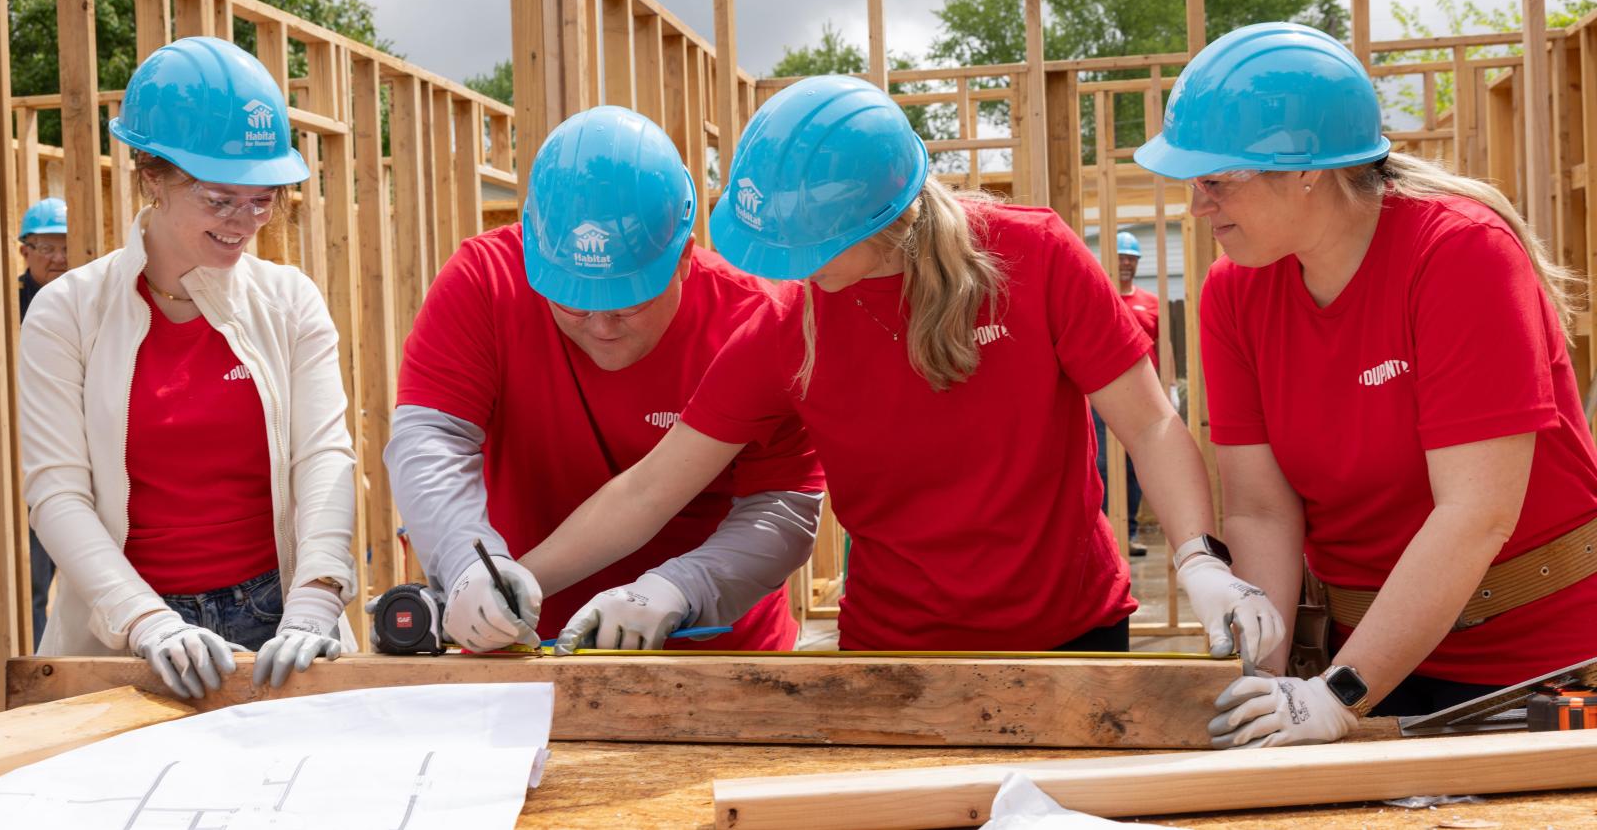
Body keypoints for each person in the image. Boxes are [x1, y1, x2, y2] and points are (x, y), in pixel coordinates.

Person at [517, 76, 1282, 659]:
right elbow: (652, 485)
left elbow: (1150, 424)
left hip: (1071, 636)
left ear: (884, 217)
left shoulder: (1035, 258)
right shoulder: (792, 325)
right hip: (897, 652)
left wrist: (1199, 560)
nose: (792, 268)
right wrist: (525, 579)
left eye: (805, 246)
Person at [1135, 22, 1597, 746]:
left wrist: (1339, 694)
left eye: (1217, 180)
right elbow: (1259, 511)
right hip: (1363, 664)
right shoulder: (1234, 293)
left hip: (1536, 668)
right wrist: (1268, 681)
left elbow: (1474, 513)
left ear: (1306, 170)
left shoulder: (1460, 255)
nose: (1199, 206)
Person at [384, 105, 824, 654]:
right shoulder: (485, 281)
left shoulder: (754, 320)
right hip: (519, 647)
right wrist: (468, 559)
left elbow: (782, 506)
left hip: (717, 651)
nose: (600, 324)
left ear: (684, 257)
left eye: (627, 301)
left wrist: (684, 586)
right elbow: (430, 441)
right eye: (572, 300)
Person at [18, 36, 357, 700]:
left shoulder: (290, 303)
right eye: (220, 198)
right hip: (124, 628)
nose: (245, 222)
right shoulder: (68, 313)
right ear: (153, 177)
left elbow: (325, 456)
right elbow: (57, 491)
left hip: (276, 620)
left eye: (263, 199)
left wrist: (317, 592)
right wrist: (147, 620)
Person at [17, 197, 70, 645]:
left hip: (82, 464)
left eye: (67, 247)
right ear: (25, 251)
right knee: (30, 587)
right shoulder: (8, 305)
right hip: (23, 470)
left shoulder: (90, 305)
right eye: (47, 248)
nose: (59, 258)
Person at [1094, 230, 1158, 557]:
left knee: (1134, 467)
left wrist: (1170, 387)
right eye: (1120, 257)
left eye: (1131, 259)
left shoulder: (1150, 302)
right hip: (1103, 397)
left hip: (1141, 397)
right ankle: (1108, 532)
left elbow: (1164, 348)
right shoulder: (1102, 298)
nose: (1125, 264)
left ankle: (1129, 532)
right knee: (1102, 464)